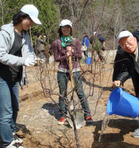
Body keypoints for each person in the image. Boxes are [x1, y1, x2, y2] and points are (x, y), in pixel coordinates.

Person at [0, 4, 42, 148]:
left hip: (14, 77)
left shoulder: (24, 35)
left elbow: (29, 51)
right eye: (30, 21)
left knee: (15, 107)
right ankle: (7, 143)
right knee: (5, 111)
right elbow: (1, 55)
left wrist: (33, 57)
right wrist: (22, 61)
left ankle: (10, 134)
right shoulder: (5, 32)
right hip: (2, 77)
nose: (31, 25)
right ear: (22, 17)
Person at [52, 19, 93, 126]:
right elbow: (56, 58)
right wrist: (66, 55)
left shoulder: (76, 41)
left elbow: (80, 56)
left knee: (80, 92)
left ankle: (87, 114)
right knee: (63, 93)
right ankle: (63, 114)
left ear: (71, 29)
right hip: (62, 71)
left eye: (68, 27)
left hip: (75, 70)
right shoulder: (57, 42)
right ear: (60, 29)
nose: (66, 29)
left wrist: (73, 53)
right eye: (63, 27)